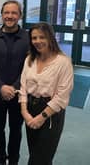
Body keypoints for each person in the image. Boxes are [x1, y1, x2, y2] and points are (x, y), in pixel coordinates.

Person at [18, 22, 74, 165]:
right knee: (37, 153)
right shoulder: (29, 59)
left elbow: (62, 96)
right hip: (30, 110)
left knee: (39, 159)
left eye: (42, 37)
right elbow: (23, 87)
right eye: (34, 38)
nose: (37, 41)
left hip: (50, 114)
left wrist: (41, 117)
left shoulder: (63, 62)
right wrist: (25, 112)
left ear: (51, 37)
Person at [0, 0, 30, 165]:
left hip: (20, 95)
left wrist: (14, 87)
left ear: (20, 15)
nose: (10, 16)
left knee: (16, 130)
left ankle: (13, 160)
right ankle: (0, 159)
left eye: (14, 13)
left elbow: (30, 66)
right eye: (6, 13)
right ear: (2, 15)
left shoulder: (28, 38)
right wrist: (1, 86)